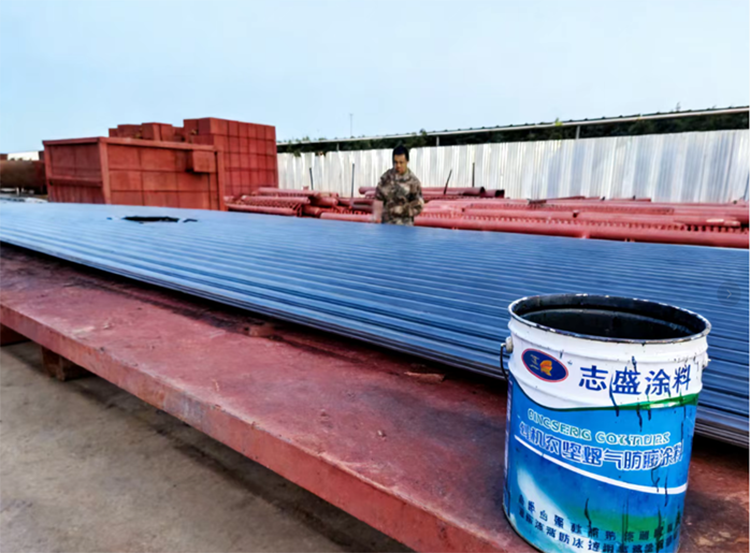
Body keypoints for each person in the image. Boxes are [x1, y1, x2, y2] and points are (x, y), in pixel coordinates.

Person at [374, 145, 424, 225]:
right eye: (395, 162)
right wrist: (375, 216)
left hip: (405, 226)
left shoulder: (413, 182)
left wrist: (401, 210)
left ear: (407, 161)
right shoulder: (386, 178)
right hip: (387, 226)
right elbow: (378, 199)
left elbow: (419, 206)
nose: (398, 166)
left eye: (401, 162)